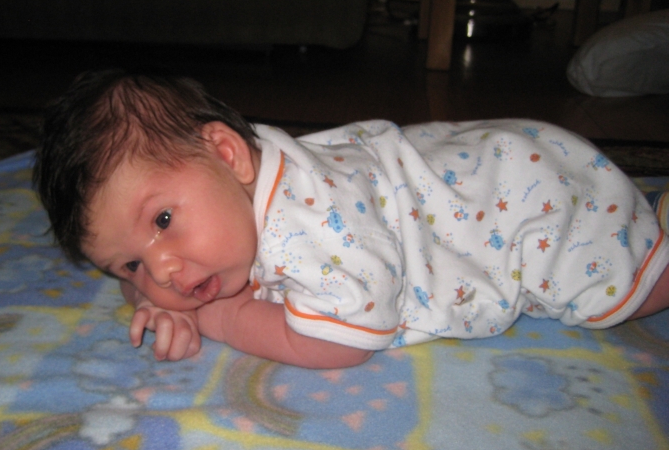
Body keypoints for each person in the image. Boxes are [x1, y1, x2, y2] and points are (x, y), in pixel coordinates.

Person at [33, 69, 669, 369]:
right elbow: (147, 274)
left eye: (164, 219)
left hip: (532, 204)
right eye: (130, 264)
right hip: (488, 160)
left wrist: (217, 316)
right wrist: (157, 299)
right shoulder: (244, 173)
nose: (163, 269)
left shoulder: (303, 225)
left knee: (627, 290)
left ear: (226, 154)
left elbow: (339, 343)